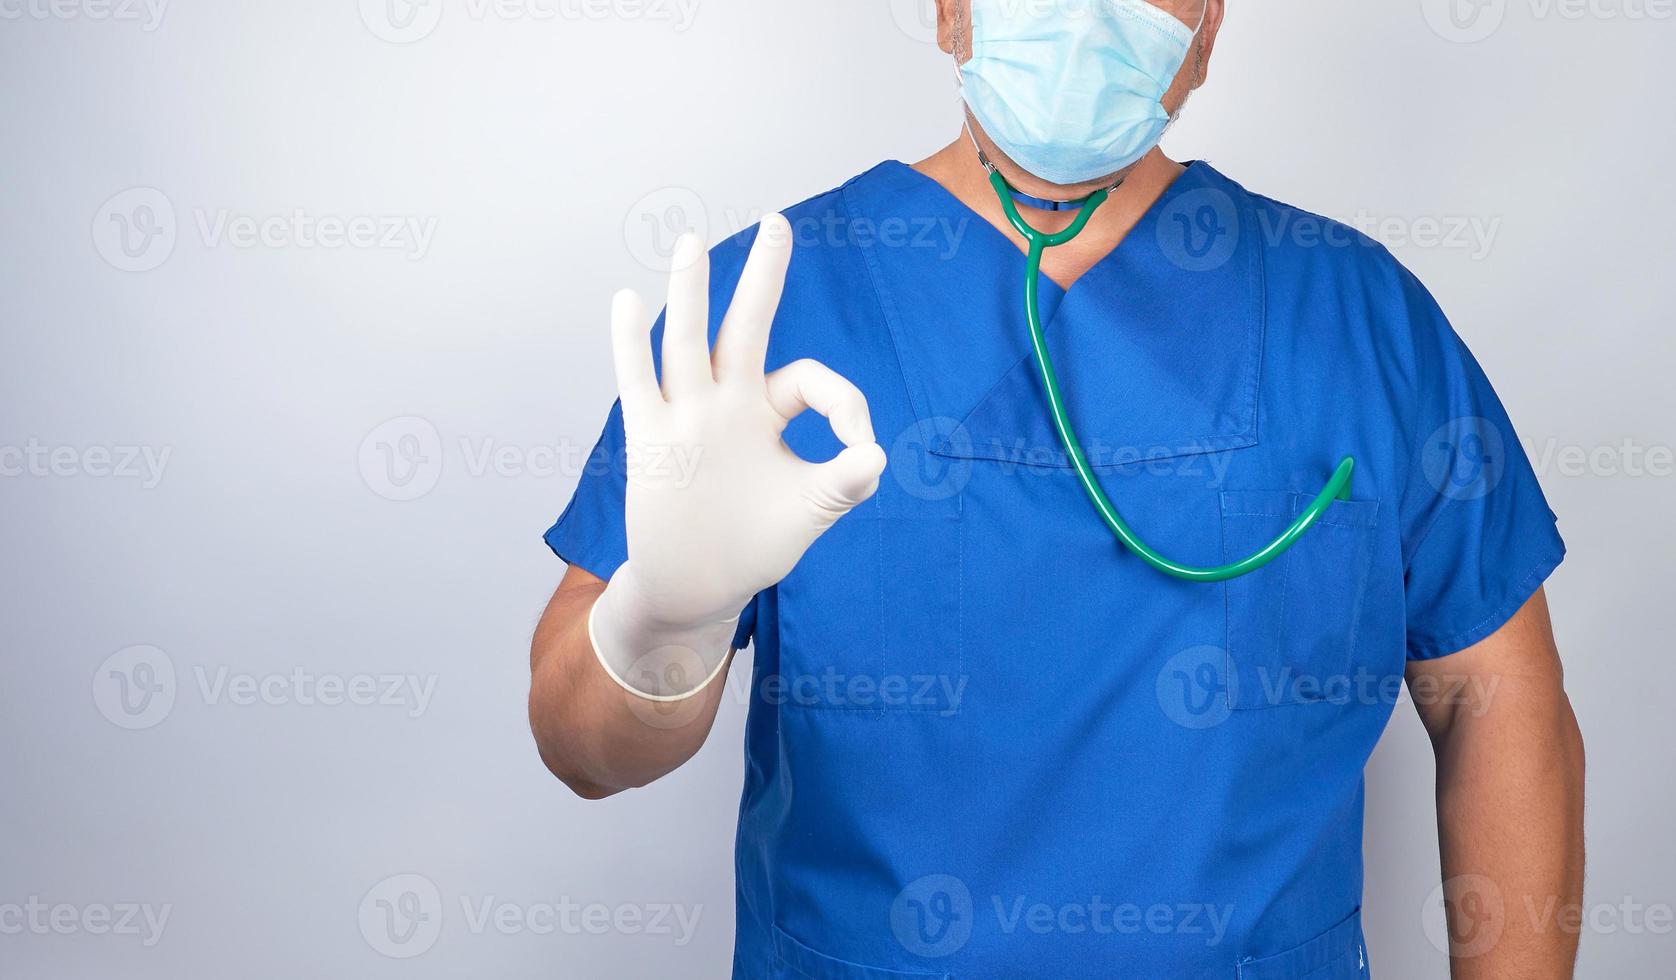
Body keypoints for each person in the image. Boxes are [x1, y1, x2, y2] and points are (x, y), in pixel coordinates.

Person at [528, 1, 1586, 976]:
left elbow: (1500, 703)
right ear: (951, 12)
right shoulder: (767, 314)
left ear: (1204, 32)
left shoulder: (1356, 315)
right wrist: (668, 620)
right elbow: (580, 748)